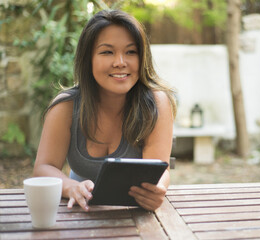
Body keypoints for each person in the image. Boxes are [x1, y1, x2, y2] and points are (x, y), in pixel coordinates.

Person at [33, 9, 177, 212]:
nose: (120, 62)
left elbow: (159, 168)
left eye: (131, 52)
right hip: (80, 213)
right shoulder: (66, 106)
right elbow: (43, 168)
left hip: (134, 215)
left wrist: (158, 189)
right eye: (107, 52)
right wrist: (71, 187)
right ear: (88, 58)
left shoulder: (155, 104)